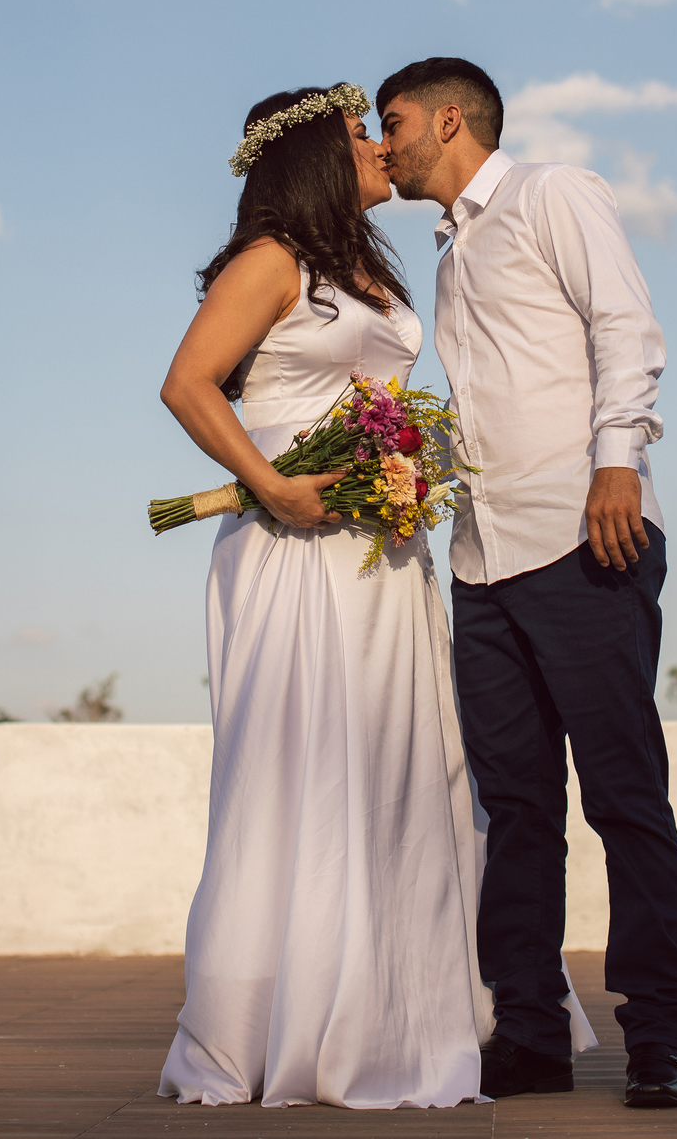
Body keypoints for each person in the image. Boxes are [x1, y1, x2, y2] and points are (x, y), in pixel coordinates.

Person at [155, 83, 494, 1109]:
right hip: (292, 545)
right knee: (302, 768)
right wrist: (271, 484)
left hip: (382, 553)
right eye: (359, 133)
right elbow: (188, 381)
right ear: (309, 155)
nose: (378, 146)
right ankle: (284, 1021)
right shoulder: (274, 262)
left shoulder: (369, 268)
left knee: (400, 766)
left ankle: (409, 1006)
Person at [377, 57, 677, 1111]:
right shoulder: (446, 252)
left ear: (450, 118)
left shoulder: (551, 193)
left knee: (623, 796)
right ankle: (528, 1032)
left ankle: (658, 1034)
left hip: (584, 535)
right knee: (515, 807)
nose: (385, 145)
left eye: (396, 124)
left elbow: (625, 327)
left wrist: (618, 460)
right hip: (483, 559)